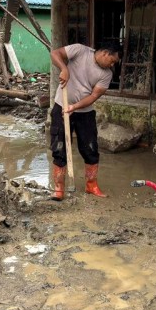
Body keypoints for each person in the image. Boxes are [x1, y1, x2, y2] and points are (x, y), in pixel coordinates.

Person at [49, 42, 121, 200]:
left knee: (90, 149)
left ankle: (91, 185)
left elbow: (94, 96)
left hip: (85, 113)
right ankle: (59, 188)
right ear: (105, 53)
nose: (112, 64)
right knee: (59, 147)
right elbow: (55, 54)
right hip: (61, 107)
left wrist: (74, 106)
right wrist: (64, 68)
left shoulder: (107, 74)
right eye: (112, 60)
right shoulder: (80, 51)